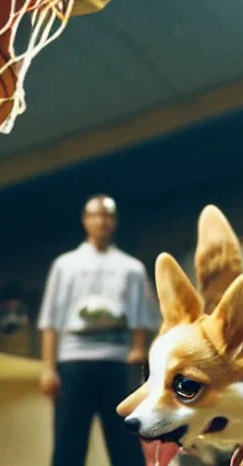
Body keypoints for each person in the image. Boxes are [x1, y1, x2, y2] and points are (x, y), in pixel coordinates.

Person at [38, 194, 160, 466]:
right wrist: (48, 368)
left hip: (116, 362)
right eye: (96, 215)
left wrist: (138, 348)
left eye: (108, 215)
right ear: (85, 220)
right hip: (72, 362)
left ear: (114, 222)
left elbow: (141, 313)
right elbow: (50, 320)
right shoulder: (65, 265)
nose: (101, 221)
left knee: (125, 440)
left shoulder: (132, 268)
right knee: (69, 441)